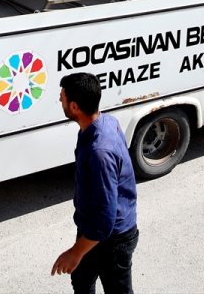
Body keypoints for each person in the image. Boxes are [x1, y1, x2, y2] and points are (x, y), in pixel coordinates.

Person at [51, 72, 138, 294]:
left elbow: (105, 221)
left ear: (74, 107)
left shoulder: (99, 152)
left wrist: (75, 252)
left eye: (62, 97)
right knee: (81, 281)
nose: (59, 100)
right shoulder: (106, 121)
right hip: (91, 228)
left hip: (112, 239)